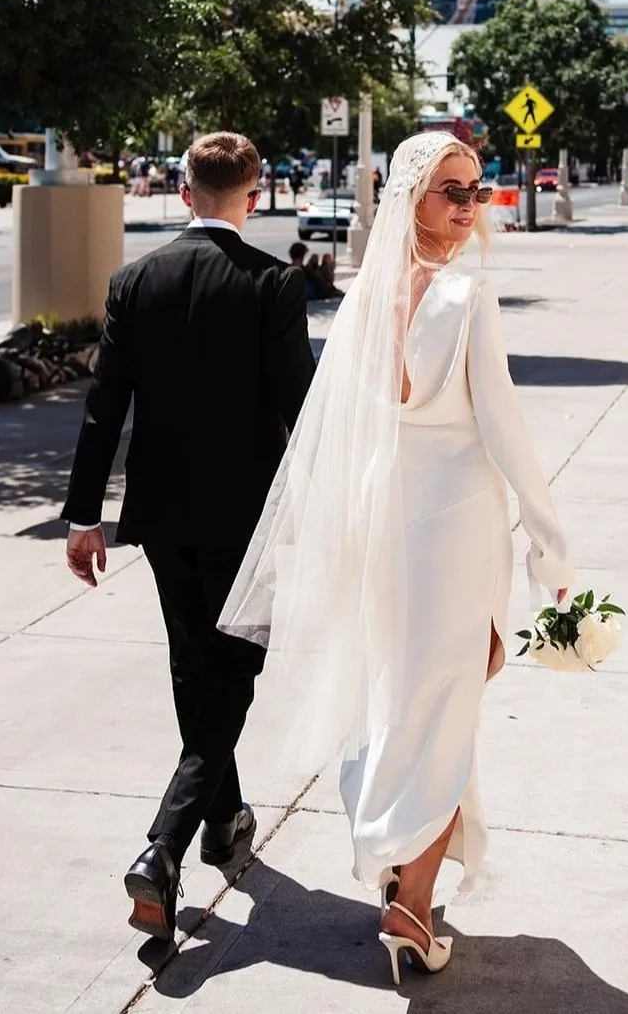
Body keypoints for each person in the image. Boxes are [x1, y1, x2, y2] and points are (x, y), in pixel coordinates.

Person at [220, 131, 574, 986]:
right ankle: (407, 897)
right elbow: (502, 423)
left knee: (404, 693)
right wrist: (550, 542)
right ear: (410, 198)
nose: (467, 204)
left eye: (475, 188)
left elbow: (347, 429)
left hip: (386, 517)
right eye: (450, 189)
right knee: (449, 695)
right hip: (453, 526)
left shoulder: (361, 299)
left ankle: (395, 861)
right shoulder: (463, 293)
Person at [62, 132, 315, 941]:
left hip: (163, 512)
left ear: (183, 193)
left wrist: (83, 517)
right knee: (233, 671)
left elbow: (104, 408)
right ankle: (163, 846)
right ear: (253, 193)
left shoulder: (135, 280)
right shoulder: (272, 284)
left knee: (192, 664)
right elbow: (300, 409)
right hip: (247, 517)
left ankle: (225, 818)